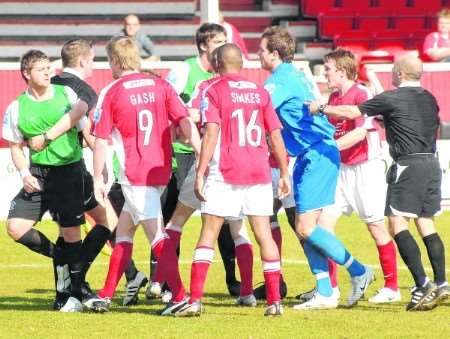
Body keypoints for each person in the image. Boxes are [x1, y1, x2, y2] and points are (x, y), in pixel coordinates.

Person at [308, 55, 450, 311]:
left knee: (395, 225)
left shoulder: (391, 97)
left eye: (394, 70)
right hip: (431, 162)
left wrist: (320, 108)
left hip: (405, 165)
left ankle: (420, 284)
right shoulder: (428, 97)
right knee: (426, 223)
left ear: (400, 74)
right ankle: (442, 283)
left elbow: (354, 113)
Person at [258, 26, 375, 311]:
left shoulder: (280, 81)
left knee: (306, 227)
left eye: (261, 50)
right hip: (308, 155)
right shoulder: (294, 75)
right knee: (303, 228)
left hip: (318, 153)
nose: (257, 55)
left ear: (274, 54)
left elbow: (256, 108)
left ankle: (359, 271)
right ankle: (325, 291)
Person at [83, 36, 201, 315]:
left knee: (155, 234)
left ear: (114, 60)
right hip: (161, 169)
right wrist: (201, 155)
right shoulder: (161, 85)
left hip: (135, 173)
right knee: (124, 231)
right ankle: (106, 294)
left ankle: (181, 297)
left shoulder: (112, 91)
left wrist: (98, 177)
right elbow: (184, 122)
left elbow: (100, 140)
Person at [174, 43, 290, 317]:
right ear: (241, 63)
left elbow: (211, 133)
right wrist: (284, 172)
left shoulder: (214, 90)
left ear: (216, 62)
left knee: (209, 233)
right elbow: (274, 135)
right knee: (263, 235)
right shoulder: (260, 91)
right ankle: (275, 302)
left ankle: (196, 300)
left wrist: (200, 172)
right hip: (258, 171)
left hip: (225, 171)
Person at [296, 49, 400, 306]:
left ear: (342, 72)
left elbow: (361, 133)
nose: (325, 73)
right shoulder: (332, 97)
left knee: (375, 226)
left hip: (366, 168)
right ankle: (328, 290)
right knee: (321, 226)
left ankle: (391, 286)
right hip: (340, 170)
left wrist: (328, 148)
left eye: (328, 69)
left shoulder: (361, 94)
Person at [152, 23, 241, 298]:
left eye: (226, 41)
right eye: (218, 41)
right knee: (169, 214)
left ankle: (232, 279)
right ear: (204, 46)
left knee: (223, 217)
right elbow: (165, 102)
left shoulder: (224, 77)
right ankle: (163, 281)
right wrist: (189, 114)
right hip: (183, 153)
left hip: (215, 154)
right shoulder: (185, 70)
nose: (223, 46)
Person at [2, 50, 90, 312]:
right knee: (15, 227)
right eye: (41, 69)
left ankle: (74, 294)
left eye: (48, 67)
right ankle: (59, 257)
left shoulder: (67, 95)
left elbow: (84, 128)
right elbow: (15, 146)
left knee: (72, 233)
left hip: (69, 171)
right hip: (38, 174)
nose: (48, 72)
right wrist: (25, 174)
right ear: (26, 74)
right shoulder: (17, 107)